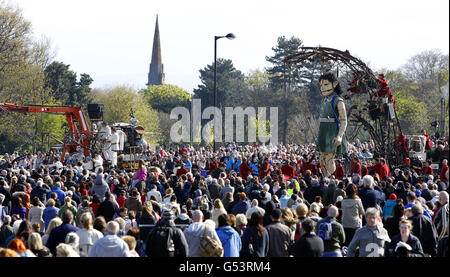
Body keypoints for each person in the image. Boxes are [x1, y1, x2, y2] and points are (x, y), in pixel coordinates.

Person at [317, 73, 347, 177]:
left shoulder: (338, 101)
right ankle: (325, 178)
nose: (323, 88)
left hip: (332, 133)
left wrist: (339, 135)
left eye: (326, 84)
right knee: (322, 159)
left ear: (334, 84)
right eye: (321, 85)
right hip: (323, 132)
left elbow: (344, 120)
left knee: (329, 159)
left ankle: (331, 179)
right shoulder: (324, 100)